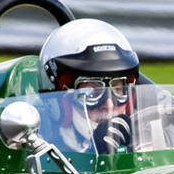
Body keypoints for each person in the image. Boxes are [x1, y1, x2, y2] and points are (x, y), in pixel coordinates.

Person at [38, 19, 145, 154]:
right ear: (60, 96)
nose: (109, 104)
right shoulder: (34, 142)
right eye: (92, 91)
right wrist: (97, 153)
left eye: (118, 89)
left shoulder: (148, 138)